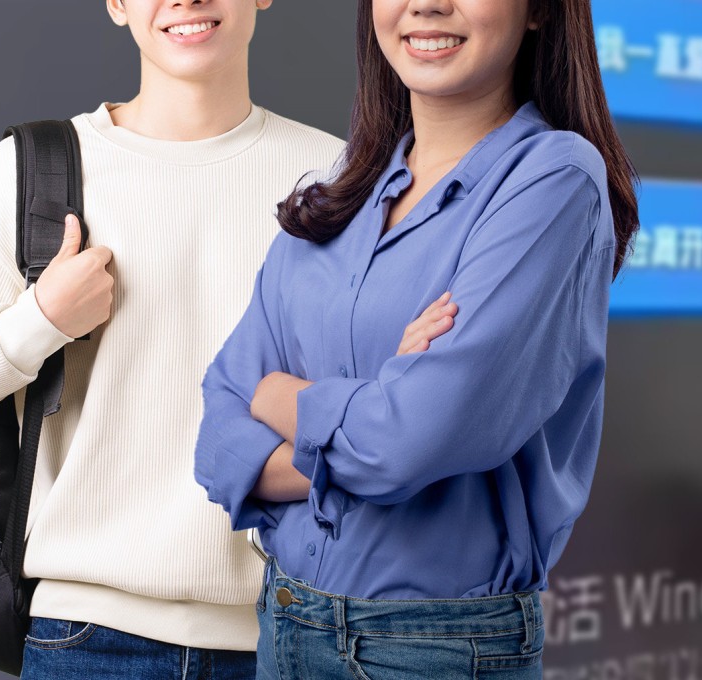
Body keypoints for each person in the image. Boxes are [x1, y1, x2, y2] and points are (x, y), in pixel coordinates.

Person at [0, 1, 363, 677]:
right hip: (87, 639)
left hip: (289, 634)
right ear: (117, 4)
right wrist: (38, 320)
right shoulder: (36, 171)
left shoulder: (336, 179)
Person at [194, 0, 640, 677]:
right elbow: (219, 436)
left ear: (539, 12)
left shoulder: (553, 179)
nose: (426, 4)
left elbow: (405, 442)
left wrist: (280, 395)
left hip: (432, 647)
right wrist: (375, 400)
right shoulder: (335, 191)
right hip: (285, 624)